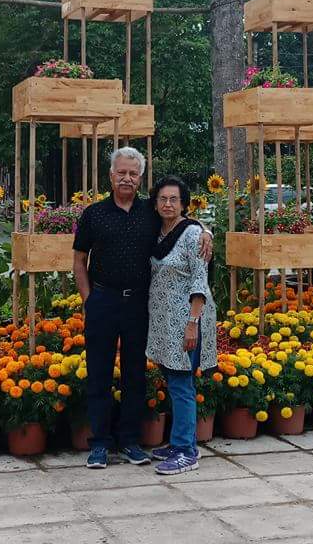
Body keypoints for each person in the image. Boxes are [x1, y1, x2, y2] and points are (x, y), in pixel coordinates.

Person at [72, 147, 211, 469]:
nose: (127, 178)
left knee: (135, 374)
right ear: (110, 175)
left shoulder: (150, 210)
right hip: (103, 300)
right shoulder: (93, 214)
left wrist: (206, 231)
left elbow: (181, 220)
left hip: (138, 303)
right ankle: (99, 444)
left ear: (140, 178)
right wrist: (89, 300)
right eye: (121, 172)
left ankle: (130, 441)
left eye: (133, 174)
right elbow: (79, 260)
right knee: (99, 373)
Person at [145, 176, 216, 475]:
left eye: (174, 199)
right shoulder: (158, 231)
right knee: (173, 381)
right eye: (163, 199)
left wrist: (192, 324)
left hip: (187, 319)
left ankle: (187, 451)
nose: (168, 204)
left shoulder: (192, 234)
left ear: (184, 203)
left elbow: (200, 279)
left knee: (182, 383)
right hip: (164, 321)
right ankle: (179, 442)